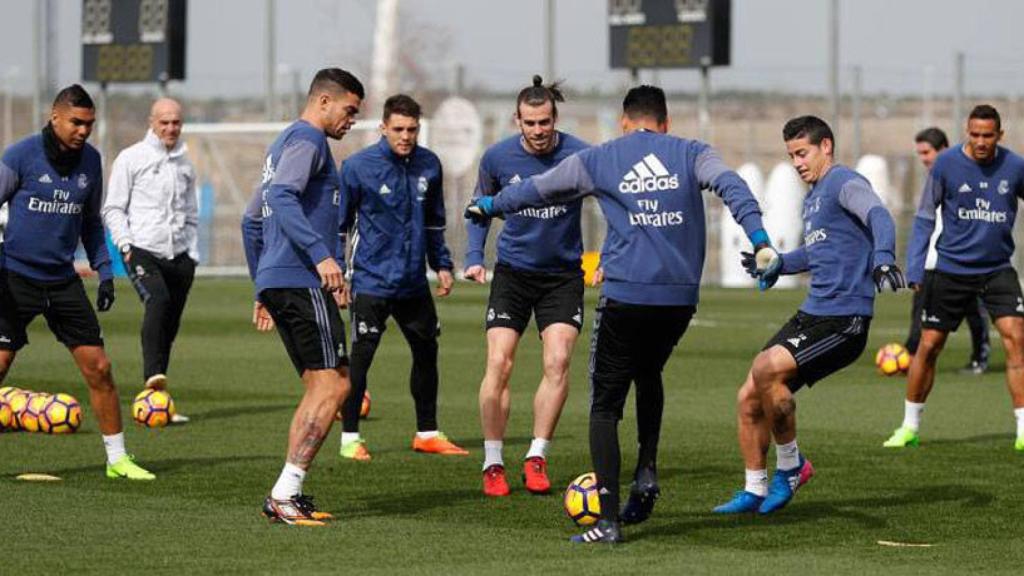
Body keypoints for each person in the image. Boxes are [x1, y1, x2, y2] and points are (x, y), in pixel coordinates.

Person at [466, 85, 775, 544]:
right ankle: (646, 469)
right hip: (679, 298)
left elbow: (536, 189)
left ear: (625, 122)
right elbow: (732, 185)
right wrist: (760, 237)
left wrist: (492, 205)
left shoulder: (602, 157)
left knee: (605, 406)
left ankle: (607, 520)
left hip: (627, 296)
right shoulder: (692, 152)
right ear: (665, 122)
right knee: (649, 373)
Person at [713, 115, 904, 515]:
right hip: (812, 313)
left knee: (766, 369)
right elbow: (817, 254)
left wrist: (883, 258)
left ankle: (792, 467)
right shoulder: (815, 197)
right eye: (791, 155)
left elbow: (879, 215)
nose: (797, 162)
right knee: (749, 396)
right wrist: (778, 264)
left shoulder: (844, 183)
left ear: (826, 147)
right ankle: (754, 488)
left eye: (802, 153)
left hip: (844, 320)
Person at [0, 84, 154, 480]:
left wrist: (105, 272)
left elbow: (90, 223)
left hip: (62, 281)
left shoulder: (91, 162)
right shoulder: (20, 156)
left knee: (99, 368)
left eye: (89, 124)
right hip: (14, 277)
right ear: (55, 118)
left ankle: (117, 459)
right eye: (76, 122)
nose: (84, 130)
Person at [241, 68, 363, 526]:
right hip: (300, 278)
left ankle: (289, 493)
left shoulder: (282, 145)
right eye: (350, 110)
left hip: (282, 278)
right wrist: (321, 258)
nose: (352, 120)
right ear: (324, 102)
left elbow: (252, 221)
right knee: (335, 384)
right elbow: (284, 198)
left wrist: (261, 285)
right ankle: (284, 492)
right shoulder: (309, 142)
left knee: (320, 384)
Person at [464, 76, 590, 496]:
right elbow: (478, 209)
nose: (539, 131)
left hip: (563, 276)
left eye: (545, 122)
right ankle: (493, 461)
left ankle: (537, 456)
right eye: (530, 122)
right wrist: (473, 258)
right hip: (513, 274)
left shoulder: (581, 155)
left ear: (556, 118)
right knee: (499, 364)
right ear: (517, 120)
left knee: (557, 362)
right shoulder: (497, 158)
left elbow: (616, 203)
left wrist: (611, 254)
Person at [884, 104, 1024, 451]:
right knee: (929, 346)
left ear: (999, 135)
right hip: (950, 269)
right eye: (974, 134)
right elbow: (925, 217)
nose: (980, 141)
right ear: (967, 132)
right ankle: (909, 426)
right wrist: (915, 267)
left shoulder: (1015, 166)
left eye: (987, 135)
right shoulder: (946, 164)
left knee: (1016, 338)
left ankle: (1023, 430)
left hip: (997, 269)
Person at [336, 94, 467, 461]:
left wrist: (441, 264)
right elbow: (340, 227)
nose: (405, 136)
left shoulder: (430, 165)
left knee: (427, 353)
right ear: (383, 128)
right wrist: (338, 276)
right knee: (361, 359)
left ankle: (426, 432)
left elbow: (434, 222)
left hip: (413, 283)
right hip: (371, 281)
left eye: (412, 129)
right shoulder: (358, 167)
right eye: (398, 129)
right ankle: (349, 438)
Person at [102, 98, 199, 423]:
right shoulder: (131, 158)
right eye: (164, 122)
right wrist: (125, 245)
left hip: (181, 256)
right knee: (157, 302)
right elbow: (113, 208)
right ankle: (151, 380)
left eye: (176, 123)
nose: (171, 128)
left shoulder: (185, 162)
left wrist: (193, 253)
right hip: (142, 249)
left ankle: (159, 403)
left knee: (169, 325)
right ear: (151, 122)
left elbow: (191, 211)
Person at [905, 127, 989, 375]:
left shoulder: (965, 175)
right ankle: (910, 356)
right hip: (932, 261)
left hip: (963, 260)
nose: (923, 158)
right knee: (920, 310)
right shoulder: (932, 179)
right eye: (919, 153)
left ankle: (980, 357)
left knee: (973, 310)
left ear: (943, 149)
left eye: (927, 152)